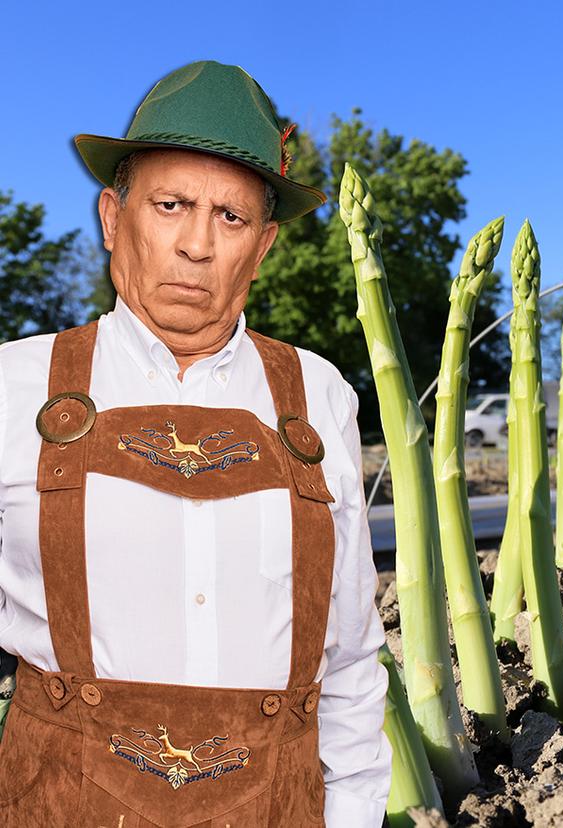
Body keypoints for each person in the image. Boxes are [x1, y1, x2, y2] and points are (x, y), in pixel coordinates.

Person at [0, 61, 390, 825]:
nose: (198, 244)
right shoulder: (13, 387)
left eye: (231, 217)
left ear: (265, 244)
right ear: (114, 217)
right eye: (171, 205)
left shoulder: (320, 396)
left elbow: (347, 657)